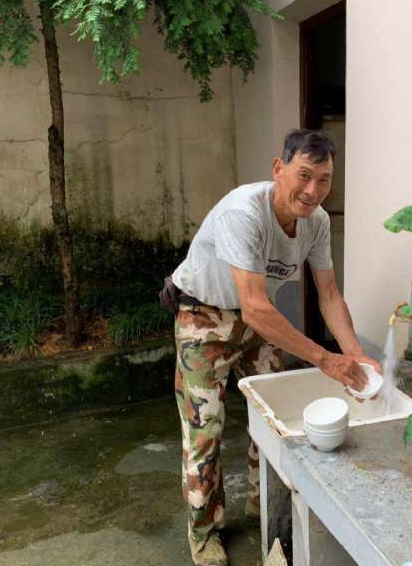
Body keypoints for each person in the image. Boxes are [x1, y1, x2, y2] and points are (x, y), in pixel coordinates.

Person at [167, 129, 381, 566]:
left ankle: (263, 503)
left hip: (256, 321)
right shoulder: (243, 212)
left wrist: (355, 352)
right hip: (203, 316)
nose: (312, 190)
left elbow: (328, 294)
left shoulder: (316, 222)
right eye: (304, 175)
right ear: (279, 170)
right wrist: (325, 359)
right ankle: (204, 532)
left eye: (324, 179)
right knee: (205, 428)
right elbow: (256, 307)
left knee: (274, 414)